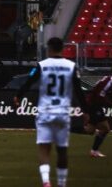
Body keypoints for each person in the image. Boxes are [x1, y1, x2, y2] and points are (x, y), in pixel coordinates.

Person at [19, 36, 80, 187]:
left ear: (49, 48)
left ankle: (46, 182)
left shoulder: (42, 65)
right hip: (62, 112)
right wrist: (86, 111)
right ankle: (61, 183)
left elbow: (29, 81)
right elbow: (78, 90)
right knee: (62, 150)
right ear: (62, 49)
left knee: (44, 148)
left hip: (45, 111)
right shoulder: (71, 66)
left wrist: (18, 96)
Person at [84, 63, 112, 158]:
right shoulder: (108, 82)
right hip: (93, 105)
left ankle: (94, 151)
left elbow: (110, 92)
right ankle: (94, 151)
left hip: (95, 105)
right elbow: (99, 97)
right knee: (101, 129)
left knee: (93, 130)